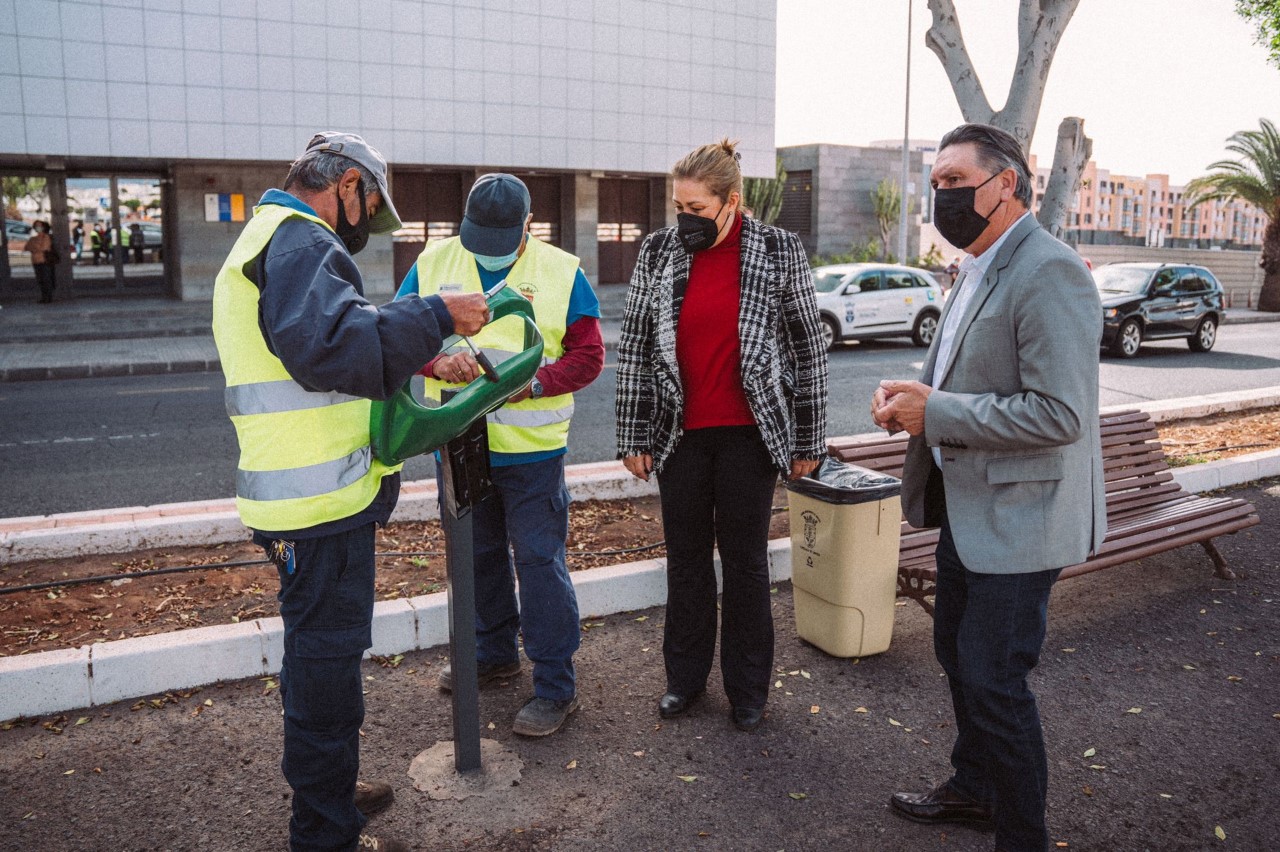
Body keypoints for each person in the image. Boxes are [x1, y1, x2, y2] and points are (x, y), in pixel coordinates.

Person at [211, 131, 489, 852]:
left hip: (312, 503)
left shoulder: (277, 239)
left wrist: (428, 353)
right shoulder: (300, 241)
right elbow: (329, 348)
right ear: (347, 185)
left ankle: (327, 792)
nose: (368, 224)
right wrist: (437, 314)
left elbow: (347, 337)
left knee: (321, 662)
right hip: (318, 508)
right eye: (371, 206)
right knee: (326, 672)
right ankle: (324, 831)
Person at [871, 123, 1105, 852]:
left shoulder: (1049, 271)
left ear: (1007, 183)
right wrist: (913, 398)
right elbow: (969, 379)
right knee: (957, 656)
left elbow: (1060, 413)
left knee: (996, 681)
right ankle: (974, 787)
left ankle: (1022, 834)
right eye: (935, 183)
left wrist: (934, 411)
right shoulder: (978, 263)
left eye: (954, 181)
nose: (942, 196)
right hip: (968, 511)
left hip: (1020, 522)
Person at [616, 139, 828, 733]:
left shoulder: (778, 249)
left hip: (748, 437)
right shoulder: (658, 252)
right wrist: (633, 430)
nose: (684, 218)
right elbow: (634, 343)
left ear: (732, 202)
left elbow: (809, 349)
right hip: (678, 434)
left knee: (745, 565)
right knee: (685, 564)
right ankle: (683, 681)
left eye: (697, 209)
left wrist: (809, 438)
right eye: (678, 206)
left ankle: (748, 690)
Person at [397, 173, 605, 737]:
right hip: (459, 440)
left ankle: (556, 687)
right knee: (476, 555)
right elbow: (394, 336)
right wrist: (434, 364)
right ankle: (493, 655)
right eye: (476, 238)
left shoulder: (561, 271)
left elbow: (588, 358)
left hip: (532, 451)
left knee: (538, 562)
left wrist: (533, 384)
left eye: (499, 239)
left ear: (528, 227)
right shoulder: (434, 262)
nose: (483, 250)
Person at [23, 220, 56, 303]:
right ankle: (44, 297)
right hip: (35, 261)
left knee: (46, 279)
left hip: (44, 261)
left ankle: (48, 297)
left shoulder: (46, 237)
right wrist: (37, 247)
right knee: (40, 280)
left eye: (39, 226)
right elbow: (27, 247)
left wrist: (35, 248)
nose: (38, 228)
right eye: (36, 226)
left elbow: (44, 248)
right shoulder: (33, 238)